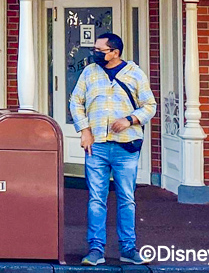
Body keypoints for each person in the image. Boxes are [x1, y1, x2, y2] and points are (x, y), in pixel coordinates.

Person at [69, 32, 157, 267]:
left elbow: (150, 106)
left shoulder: (135, 74)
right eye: (95, 49)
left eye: (100, 50)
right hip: (96, 146)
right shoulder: (89, 72)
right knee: (96, 199)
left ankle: (128, 248)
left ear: (115, 52)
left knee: (126, 199)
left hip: (126, 147)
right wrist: (84, 130)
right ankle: (96, 249)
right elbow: (76, 101)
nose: (95, 53)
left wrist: (130, 119)